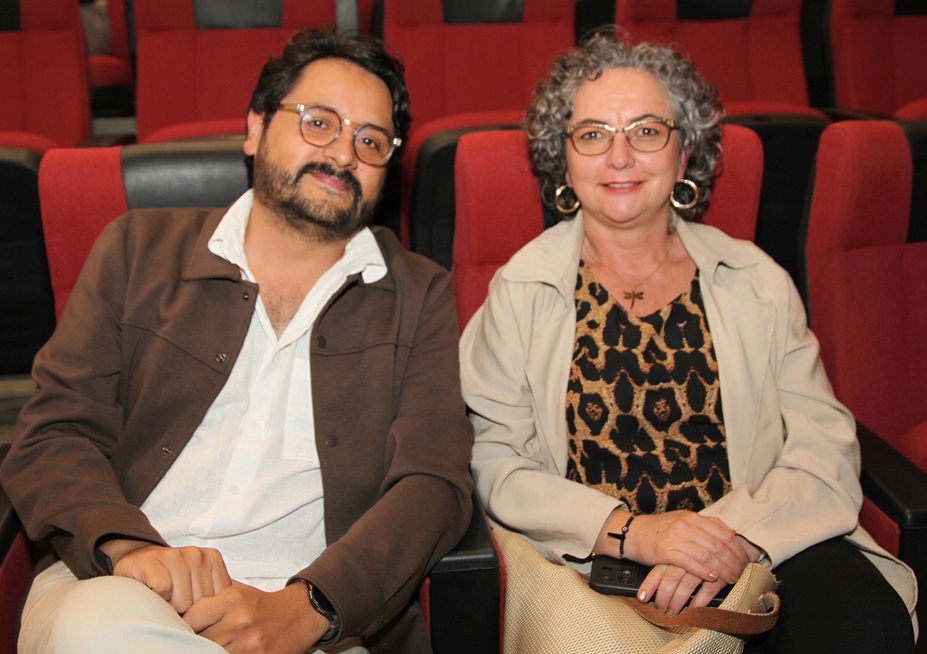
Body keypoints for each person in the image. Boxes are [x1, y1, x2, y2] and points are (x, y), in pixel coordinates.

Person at [1, 28, 473, 654]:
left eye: (371, 140)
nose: (342, 153)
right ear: (255, 129)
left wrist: (312, 608)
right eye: (319, 122)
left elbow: (433, 481)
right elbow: (53, 432)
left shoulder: (420, 293)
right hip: (119, 592)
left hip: (312, 618)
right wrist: (125, 547)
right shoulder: (136, 248)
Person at [458, 31, 917, 653]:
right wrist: (636, 535)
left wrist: (729, 540)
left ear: (684, 151)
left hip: (762, 546)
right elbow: (494, 461)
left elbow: (823, 447)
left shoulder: (757, 279)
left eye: (647, 131)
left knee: (864, 626)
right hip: (596, 563)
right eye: (593, 134)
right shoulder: (520, 291)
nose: (620, 157)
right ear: (561, 158)